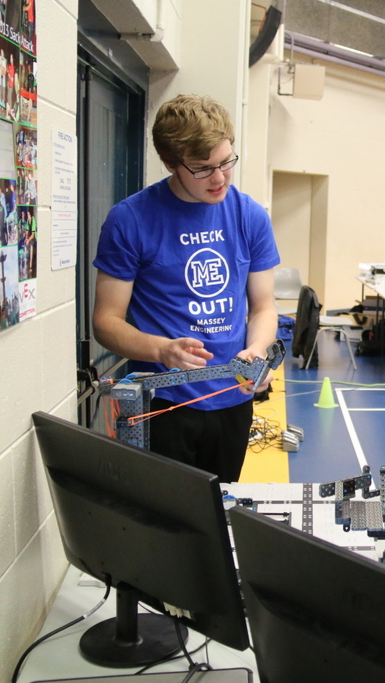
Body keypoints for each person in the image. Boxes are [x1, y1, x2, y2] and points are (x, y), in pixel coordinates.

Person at [93, 94, 280, 483]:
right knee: (165, 513)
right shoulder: (129, 220)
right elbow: (106, 322)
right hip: (163, 403)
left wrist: (258, 351)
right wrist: (161, 350)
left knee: (220, 507)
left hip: (233, 399)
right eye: (203, 168)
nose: (219, 178)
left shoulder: (250, 216)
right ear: (170, 163)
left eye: (226, 162)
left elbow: (263, 307)